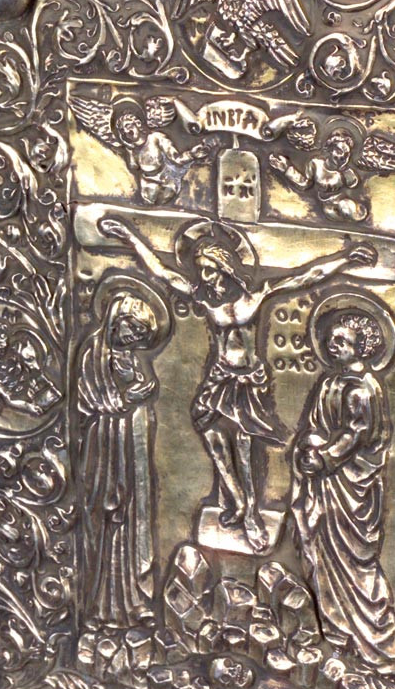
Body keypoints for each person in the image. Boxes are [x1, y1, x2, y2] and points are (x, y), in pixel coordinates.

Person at [98, 214, 377, 553]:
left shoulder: (255, 296)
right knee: (212, 437)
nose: (204, 277)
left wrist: (345, 260)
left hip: (248, 383)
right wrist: (128, 235)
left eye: (209, 270)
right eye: (201, 270)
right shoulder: (203, 297)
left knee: (245, 448)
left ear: (225, 267)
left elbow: (307, 276)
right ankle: (238, 500)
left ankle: (252, 516)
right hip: (219, 379)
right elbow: (162, 272)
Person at [290, 298, 395, 681]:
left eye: (341, 340)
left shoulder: (362, 388)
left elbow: (357, 434)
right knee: (324, 560)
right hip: (326, 485)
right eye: (330, 340)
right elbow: (313, 424)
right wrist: (309, 446)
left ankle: (380, 652)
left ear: (362, 346)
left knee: (356, 566)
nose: (332, 346)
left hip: (351, 489)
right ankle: (338, 636)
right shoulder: (329, 382)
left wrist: (325, 457)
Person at [77, 281, 170, 628]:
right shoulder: (92, 355)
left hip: (131, 454)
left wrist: (142, 396)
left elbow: (136, 399)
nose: (135, 339)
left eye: (142, 335)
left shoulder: (131, 358)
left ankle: (135, 600)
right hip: (104, 455)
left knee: (132, 522)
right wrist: (128, 399)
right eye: (134, 330)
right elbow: (90, 401)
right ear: (117, 321)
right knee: (106, 522)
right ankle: (98, 606)